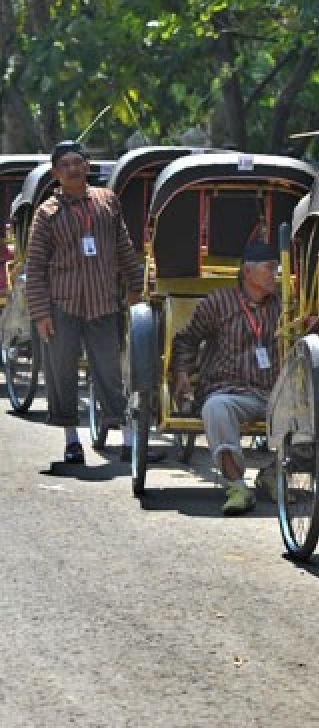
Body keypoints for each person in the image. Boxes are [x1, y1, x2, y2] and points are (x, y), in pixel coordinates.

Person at [26, 140, 142, 465]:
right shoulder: (47, 214)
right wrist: (40, 314)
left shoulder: (107, 202)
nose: (72, 169)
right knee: (61, 371)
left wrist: (135, 286)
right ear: (55, 173)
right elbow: (34, 267)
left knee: (109, 371)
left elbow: (124, 247)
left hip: (103, 303)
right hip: (62, 306)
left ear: (87, 166)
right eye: (65, 165)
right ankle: (71, 440)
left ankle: (128, 441)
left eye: (77, 162)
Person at [170, 240, 281, 516]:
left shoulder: (284, 306)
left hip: (275, 394)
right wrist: (182, 373)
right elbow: (188, 340)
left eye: (277, 269)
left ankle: (273, 474)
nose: (275, 275)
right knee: (215, 408)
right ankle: (237, 486)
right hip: (228, 391)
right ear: (247, 272)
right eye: (269, 268)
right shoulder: (219, 302)